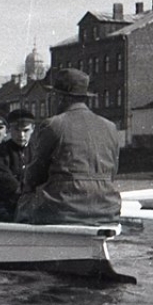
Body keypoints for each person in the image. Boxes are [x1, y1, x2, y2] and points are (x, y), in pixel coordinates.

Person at [15, 68, 121, 225]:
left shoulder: (53, 125)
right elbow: (113, 171)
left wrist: (25, 189)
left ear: (59, 97)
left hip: (64, 209)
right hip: (107, 209)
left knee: (23, 202)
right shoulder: (110, 127)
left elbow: (36, 173)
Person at [0, 109, 36, 220]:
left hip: (32, 202)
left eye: (25, 130)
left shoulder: (38, 151)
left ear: (33, 129)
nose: (21, 135)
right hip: (6, 205)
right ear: (9, 129)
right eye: (16, 130)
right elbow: (6, 180)